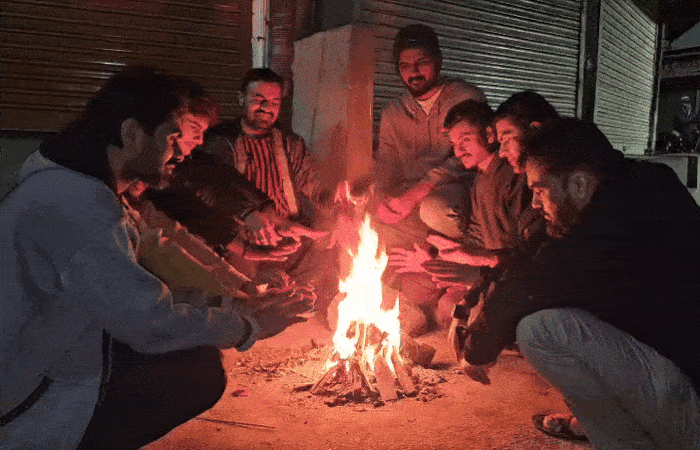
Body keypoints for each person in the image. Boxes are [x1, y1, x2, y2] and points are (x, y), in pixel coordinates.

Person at [0, 66, 315, 450]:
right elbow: (150, 321)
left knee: (191, 348)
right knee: (196, 371)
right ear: (133, 134)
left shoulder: (78, 183)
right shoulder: (78, 205)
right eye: (174, 136)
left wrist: (234, 300)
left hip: (60, 350)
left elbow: (141, 283)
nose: (183, 151)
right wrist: (250, 325)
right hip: (28, 394)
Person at [453, 118, 700, 448]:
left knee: (540, 330)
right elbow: (530, 255)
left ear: (579, 184)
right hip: (678, 383)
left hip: (688, 410)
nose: (535, 203)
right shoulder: (643, 183)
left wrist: (476, 350)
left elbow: (529, 283)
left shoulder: (611, 226)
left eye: (540, 190)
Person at [197, 67, 340, 323]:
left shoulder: (290, 143)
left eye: (274, 102)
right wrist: (248, 222)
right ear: (241, 99)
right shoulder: (222, 142)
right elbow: (216, 193)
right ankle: (265, 298)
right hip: (245, 236)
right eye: (258, 99)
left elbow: (315, 186)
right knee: (238, 281)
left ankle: (289, 291)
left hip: (288, 233)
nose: (266, 108)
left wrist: (339, 205)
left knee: (328, 241)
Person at [389, 100, 533, 328]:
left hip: (505, 273)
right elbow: (475, 234)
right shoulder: (481, 177)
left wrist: (471, 270)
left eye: (465, 140)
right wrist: (437, 258)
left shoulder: (513, 176)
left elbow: (518, 253)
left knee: (450, 308)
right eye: (454, 144)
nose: (458, 151)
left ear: (489, 135)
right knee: (414, 287)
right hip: (483, 264)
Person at [374, 24, 486, 239]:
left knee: (434, 208)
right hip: (409, 193)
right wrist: (380, 198)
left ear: (438, 61)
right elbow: (386, 164)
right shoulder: (393, 113)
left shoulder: (464, 98)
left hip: (454, 190)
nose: (414, 71)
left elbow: (467, 158)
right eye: (405, 65)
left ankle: (455, 250)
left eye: (422, 62)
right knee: (362, 209)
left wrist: (418, 192)